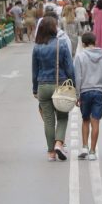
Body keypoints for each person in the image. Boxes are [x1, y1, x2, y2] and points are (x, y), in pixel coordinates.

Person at [32, 16, 75, 162]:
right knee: (62, 117)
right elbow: (70, 68)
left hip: (43, 86)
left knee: (48, 120)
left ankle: (51, 153)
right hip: (60, 85)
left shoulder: (37, 47)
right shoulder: (61, 45)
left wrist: (35, 89)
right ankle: (59, 143)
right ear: (54, 28)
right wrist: (73, 86)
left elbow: (34, 70)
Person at [74, 32, 102, 161]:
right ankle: (92, 151)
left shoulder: (80, 57)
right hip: (98, 92)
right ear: (95, 42)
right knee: (95, 121)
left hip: (85, 91)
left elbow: (78, 77)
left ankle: (84, 146)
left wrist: (77, 94)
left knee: (85, 120)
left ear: (83, 44)